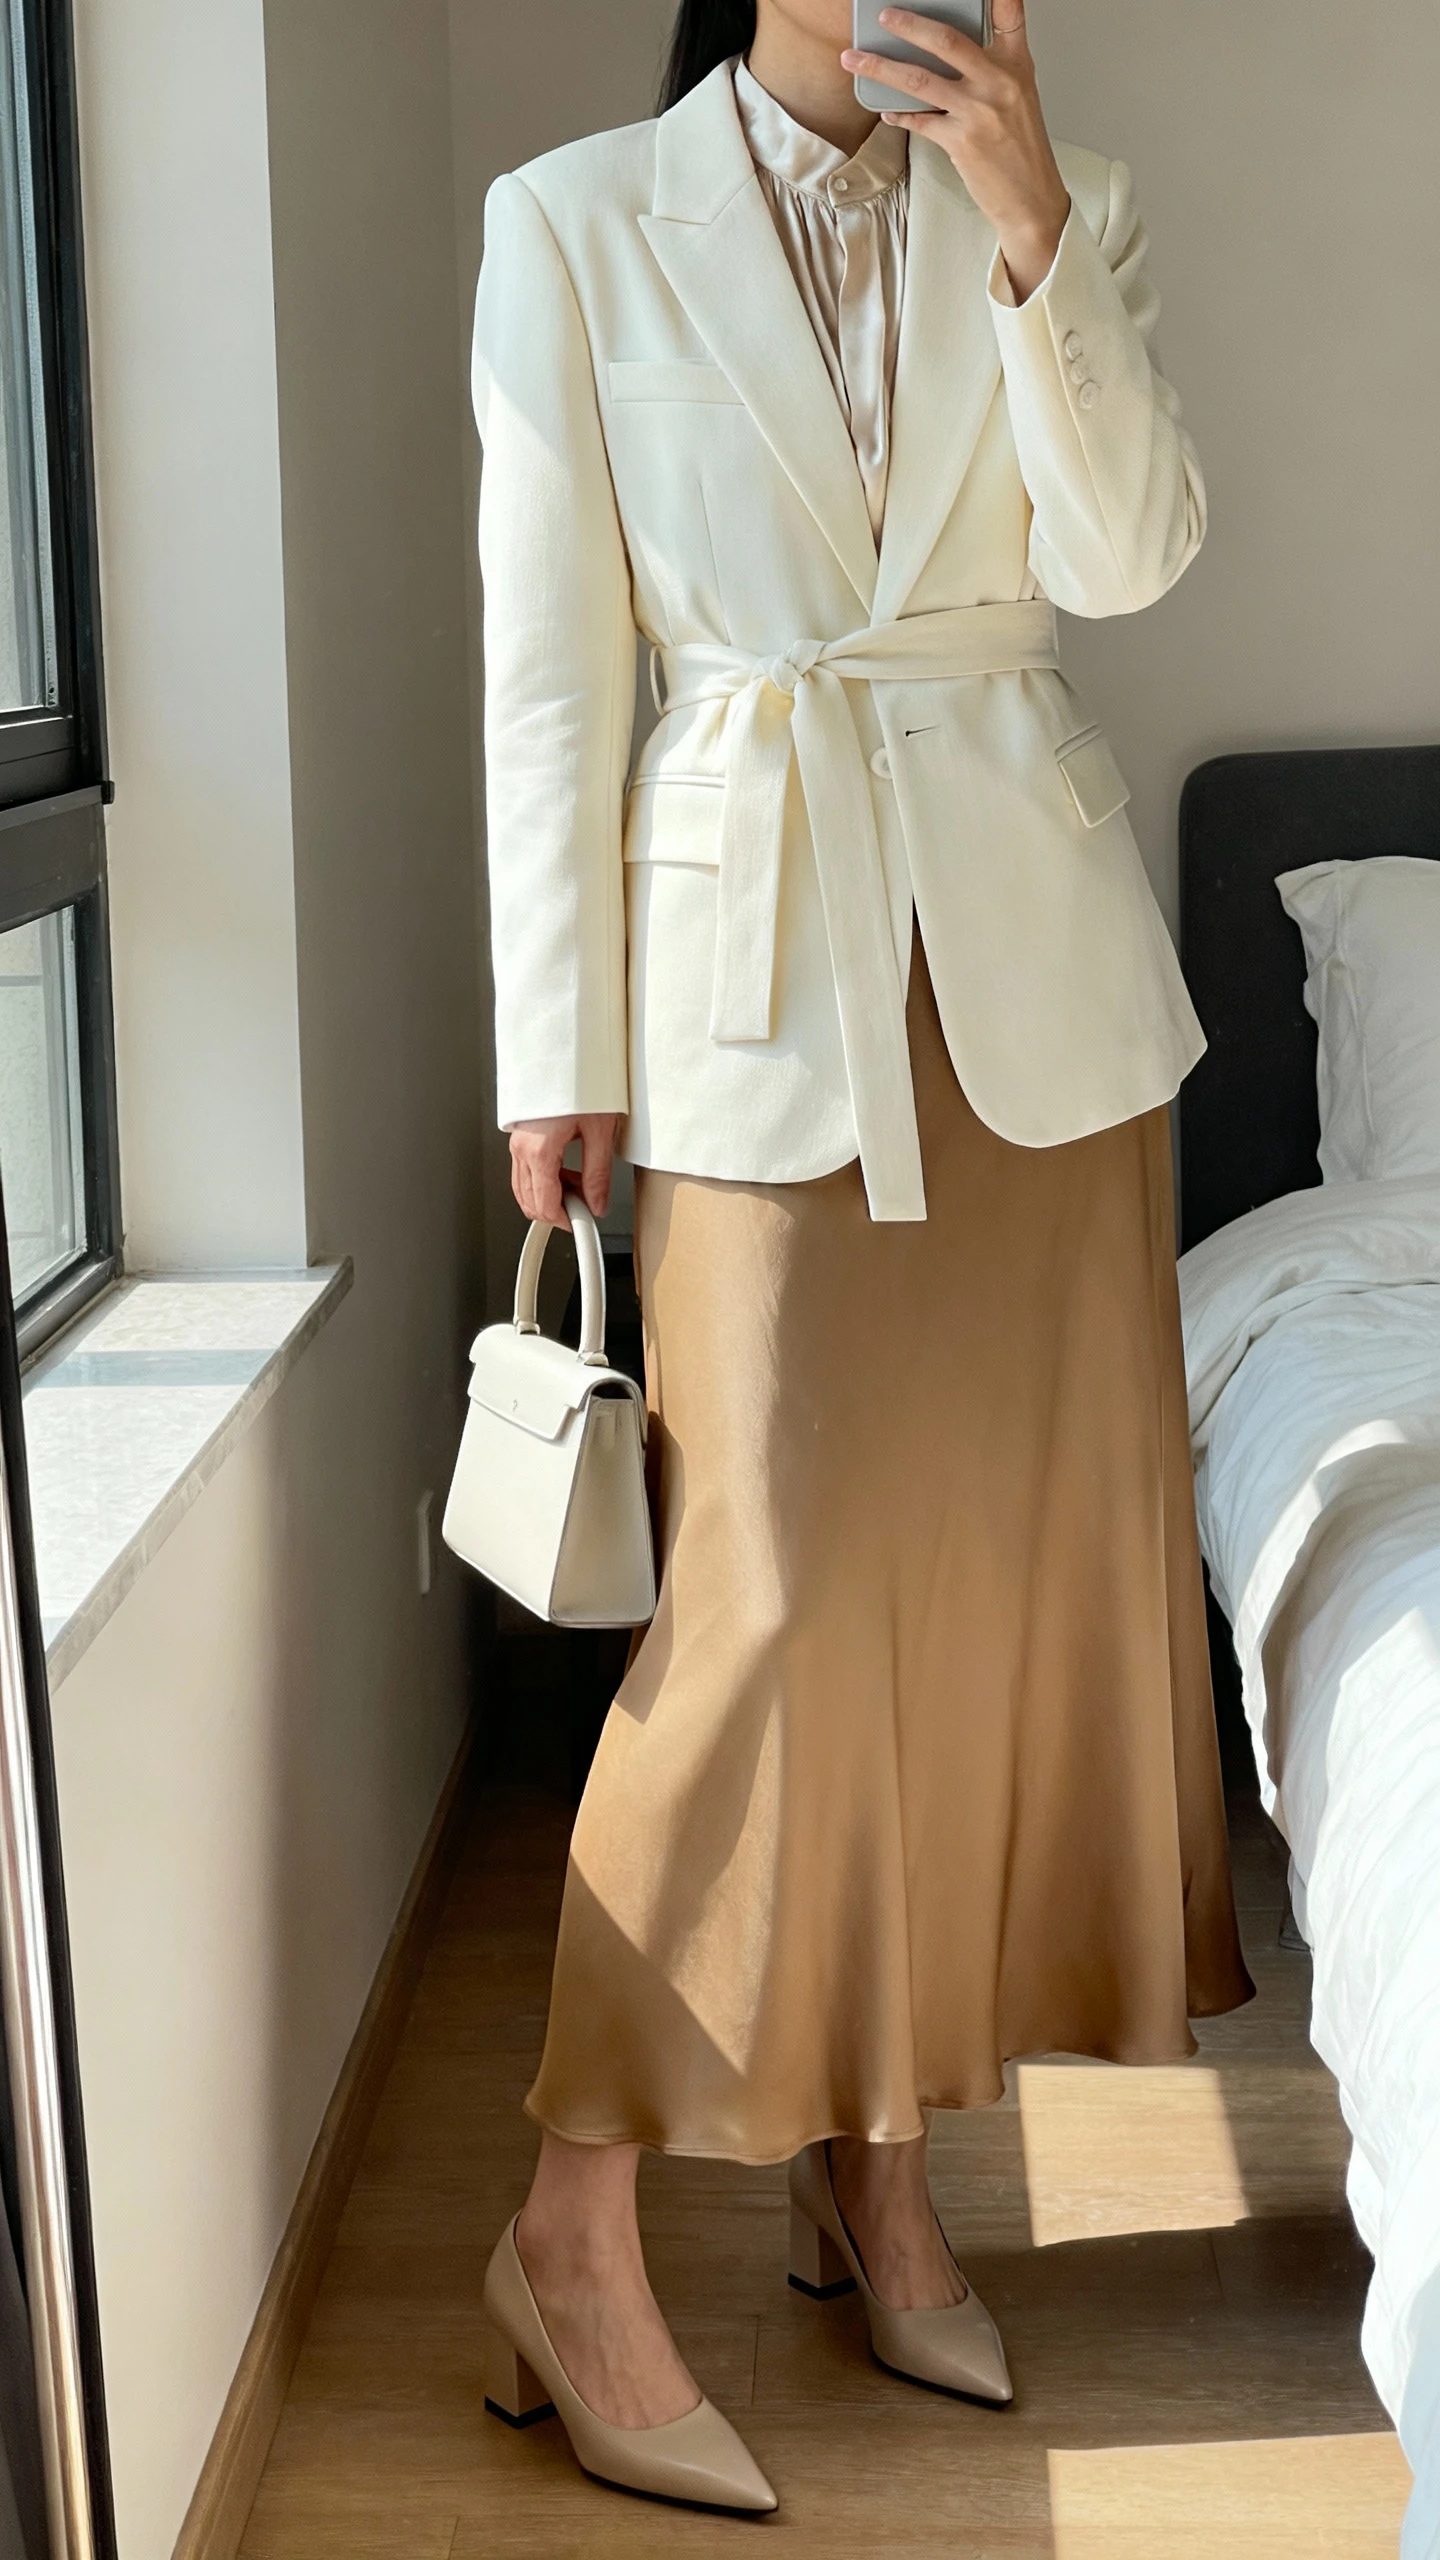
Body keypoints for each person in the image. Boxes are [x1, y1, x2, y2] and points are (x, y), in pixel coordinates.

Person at [472, 0, 1254, 2513]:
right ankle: (573, 2235)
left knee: (971, 1603)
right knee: (776, 1614)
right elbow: (545, 672)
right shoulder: (576, 221)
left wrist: (1029, 226)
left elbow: (1126, 558)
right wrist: (547, 1046)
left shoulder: (1070, 196)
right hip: (747, 990)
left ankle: (880, 2159)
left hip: (1037, 1013)